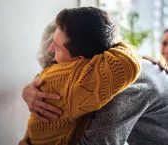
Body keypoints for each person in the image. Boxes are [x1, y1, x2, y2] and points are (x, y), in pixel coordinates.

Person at [23, 7, 141, 145]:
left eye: (57, 47)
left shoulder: (72, 79)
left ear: (79, 60)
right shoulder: (75, 79)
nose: (50, 49)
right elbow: (129, 63)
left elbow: (125, 64)